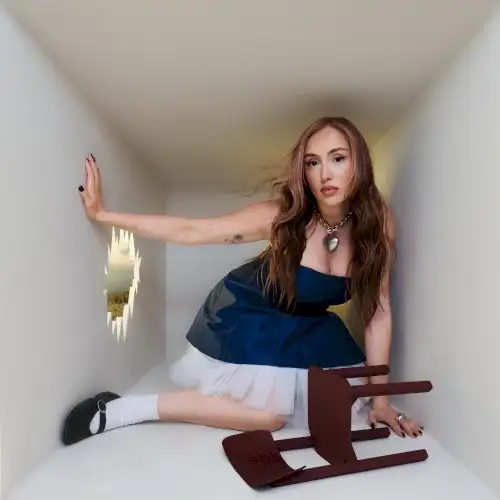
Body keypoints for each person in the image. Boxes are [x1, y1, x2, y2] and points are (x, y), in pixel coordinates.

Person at [62, 116, 424, 446]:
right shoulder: (281, 218)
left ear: (359, 162)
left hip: (310, 326)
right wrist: (105, 215)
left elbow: (378, 312)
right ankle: (124, 410)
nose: (325, 174)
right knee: (271, 418)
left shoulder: (378, 224)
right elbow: (192, 230)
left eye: (338, 158)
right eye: (313, 163)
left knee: (338, 409)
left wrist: (382, 402)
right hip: (253, 314)